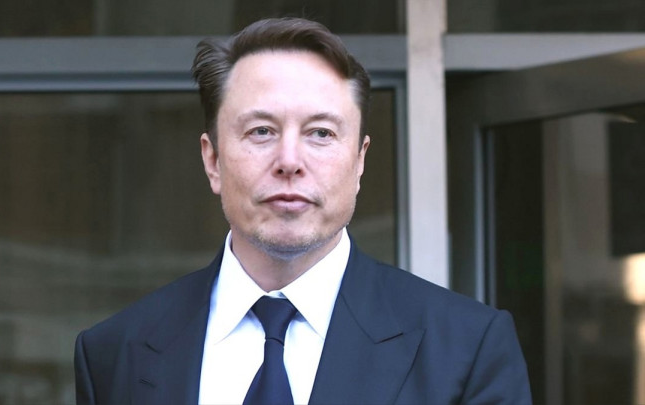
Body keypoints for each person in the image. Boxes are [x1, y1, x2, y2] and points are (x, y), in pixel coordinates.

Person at [74, 17, 531, 405]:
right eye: (261, 131)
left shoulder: (468, 348)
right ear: (212, 161)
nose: (289, 161)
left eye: (321, 133)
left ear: (359, 162)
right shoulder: (114, 353)